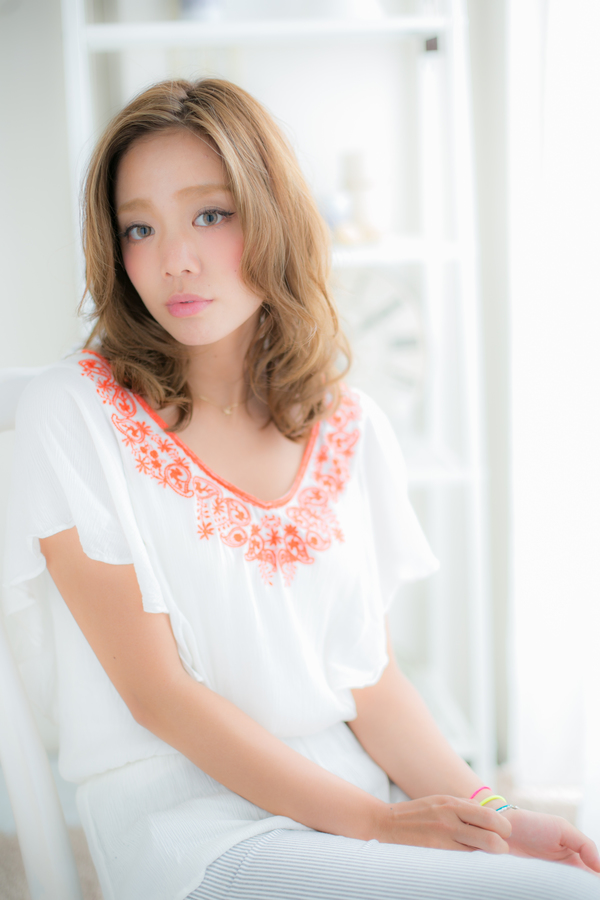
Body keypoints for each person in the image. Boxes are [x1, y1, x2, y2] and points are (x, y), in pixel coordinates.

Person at [3, 78, 599, 900]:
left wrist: (496, 815)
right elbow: (158, 695)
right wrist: (379, 823)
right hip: (196, 838)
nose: (175, 259)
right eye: (139, 228)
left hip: (358, 806)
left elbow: (372, 685)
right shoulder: (73, 414)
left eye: (211, 214)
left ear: (275, 215)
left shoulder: (346, 426)